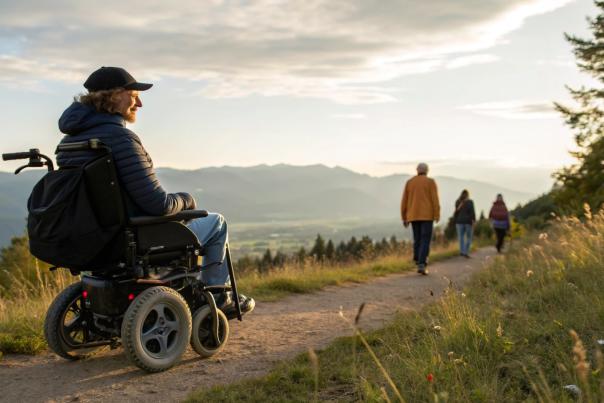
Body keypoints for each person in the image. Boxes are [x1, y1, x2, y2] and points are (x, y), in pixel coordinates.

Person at [55, 66, 254, 313]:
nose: (139, 103)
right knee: (217, 222)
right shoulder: (121, 139)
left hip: (98, 236)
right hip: (136, 236)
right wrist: (186, 199)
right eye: (133, 94)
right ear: (115, 95)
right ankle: (218, 297)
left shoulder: (69, 143)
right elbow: (158, 205)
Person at [401, 163, 440, 274]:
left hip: (413, 215)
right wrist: (437, 215)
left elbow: (404, 201)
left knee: (417, 239)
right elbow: (435, 200)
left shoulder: (410, 183)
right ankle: (421, 263)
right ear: (427, 171)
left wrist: (404, 217)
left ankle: (417, 259)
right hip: (427, 216)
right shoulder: (430, 182)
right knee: (425, 240)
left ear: (417, 170)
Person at [454, 189, 476, 258]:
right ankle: (466, 252)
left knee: (461, 238)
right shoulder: (470, 202)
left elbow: (456, 212)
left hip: (459, 222)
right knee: (469, 237)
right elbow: (472, 212)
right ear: (468, 195)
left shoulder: (457, 201)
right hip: (468, 222)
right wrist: (474, 220)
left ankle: (462, 251)